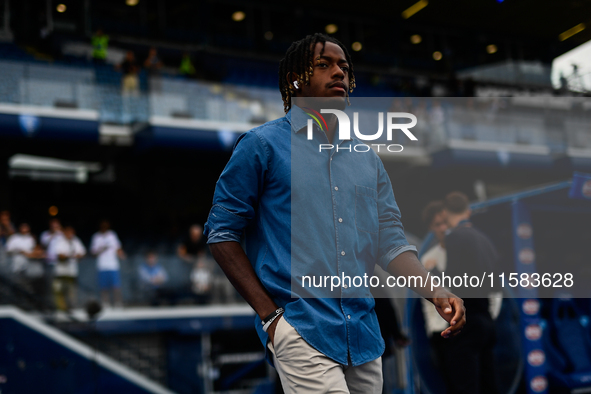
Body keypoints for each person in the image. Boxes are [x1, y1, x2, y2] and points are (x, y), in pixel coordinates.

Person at [204, 33, 465, 393]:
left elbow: (389, 241)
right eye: (323, 64)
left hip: (362, 331)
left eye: (343, 66)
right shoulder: (261, 146)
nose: (339, 72)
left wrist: (434, 291)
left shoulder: (367, 158)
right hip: (300, 326)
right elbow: (222, 234)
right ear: (295, 79)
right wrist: (271, 317)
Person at [442, 192, 499, 394]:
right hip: (486, 319)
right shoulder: (484, 239)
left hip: (467, 320)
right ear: (468, 211)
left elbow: (452, 280)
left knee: (465, 385)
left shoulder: (456, 237)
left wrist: (432, 274)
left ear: (446, 213)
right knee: (487, 383)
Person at [419, 201, 451, 373]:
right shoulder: (427, 260)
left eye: (445, 222)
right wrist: (433, 329)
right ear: (432, 228)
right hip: (441, 330)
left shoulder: (464, 249)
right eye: (438, 224)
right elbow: (427, 301)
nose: (443, 228)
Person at [90, 220, 125, 308]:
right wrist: (102, 249)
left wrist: (121, 254)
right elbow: (93, 253)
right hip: (102, 266)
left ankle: (118, 303)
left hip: (113, 265)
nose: (105, 227)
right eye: (103, 226)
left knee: (116, 286)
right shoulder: (96, 237)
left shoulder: (112, 235)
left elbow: (118, 247)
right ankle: (105, 304)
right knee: (103, 287)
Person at [52, 225, 86, 311]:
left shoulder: (76, 241)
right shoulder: (59, 241)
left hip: (71, 271)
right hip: (61, 272)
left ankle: (72, 307)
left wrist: (77, 255)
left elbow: (82, 252)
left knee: (71, 291)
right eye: (68, 232)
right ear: (65, 232)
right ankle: (61, 309)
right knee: (59, 290)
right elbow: (60, 255)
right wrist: (71, 255)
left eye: (72, 233)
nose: (70, 234)